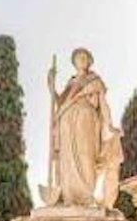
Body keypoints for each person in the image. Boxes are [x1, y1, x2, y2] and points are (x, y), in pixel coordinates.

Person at [46, 48, 118, 207]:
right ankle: (68, 196)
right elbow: (60, 103)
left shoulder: (95, 80)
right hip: (66, 121)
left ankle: (86, 196)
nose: (81, 59)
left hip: (86, 119)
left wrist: (110, 124)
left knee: (86, 156)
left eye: (84, 56)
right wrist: (51, 87)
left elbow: (103, 104)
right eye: (78, 57)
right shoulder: (71, 82)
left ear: (90, 60)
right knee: (67, 159)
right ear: (74, 62)